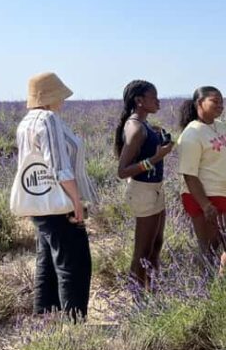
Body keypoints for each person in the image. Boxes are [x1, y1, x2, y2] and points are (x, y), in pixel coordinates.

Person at [16, 72, 98, 319]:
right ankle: (74, 325)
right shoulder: (49, 119)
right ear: (49, 96)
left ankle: (45, 319)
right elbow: (59, 167)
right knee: (74, 264)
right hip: (58, 203)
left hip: (39, 202)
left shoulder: (25, 122)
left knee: (47, 262)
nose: (63, 99)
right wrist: (76, 202)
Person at [114, 80, 174, 289]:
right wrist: (157, 157)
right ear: (139, 101)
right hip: (143, 191)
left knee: (155, 245)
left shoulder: (144, 125)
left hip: (154, 189)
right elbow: (122, 171)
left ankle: (153, 292)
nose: (158, 101)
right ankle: (137, 298)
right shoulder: (136, 128)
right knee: (143, 251)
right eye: (153, 97)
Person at [177, 86, 226, 265]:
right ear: (199, 103)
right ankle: (202, 282)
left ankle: (224, 280)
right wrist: (205, 205)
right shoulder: (191, 134)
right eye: (215, 101)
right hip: (207, 197)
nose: (220, 105)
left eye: (221, 101)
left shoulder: (220, 126)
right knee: (209, 250)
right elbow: (189, 175)